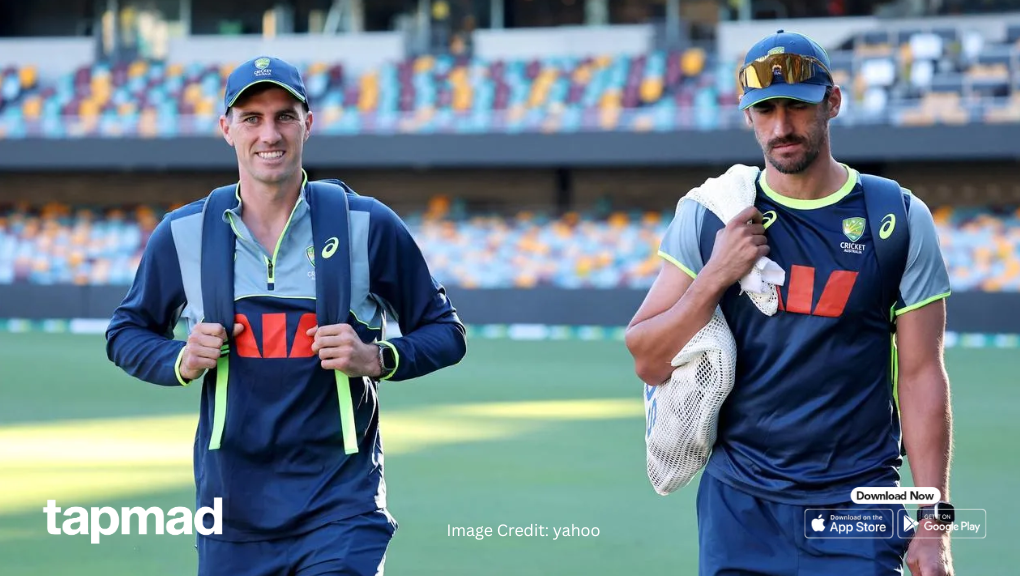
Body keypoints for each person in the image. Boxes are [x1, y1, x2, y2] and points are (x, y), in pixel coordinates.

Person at [105, 55, 467, 576]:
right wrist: (180, 359)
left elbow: (446, 332)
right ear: (226, 128)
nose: (268, 134)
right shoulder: (183, 233)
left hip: (341, 505)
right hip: (231, 512)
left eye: (284, 116)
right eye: (251, 118)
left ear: (308, 125)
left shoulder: (367, 223)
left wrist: (378, 357)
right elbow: (125, 333)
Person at [625, 31, 954, 576]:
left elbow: (921, 376)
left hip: (861, 504)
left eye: (797, 107)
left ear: (832, 102)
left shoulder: (896, 217)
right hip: (740, 507)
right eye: (765, 109)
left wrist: (933, 524)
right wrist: (715, 276)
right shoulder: (710, 216)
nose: (781, 127)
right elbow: (647, 358)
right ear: (747, 116)